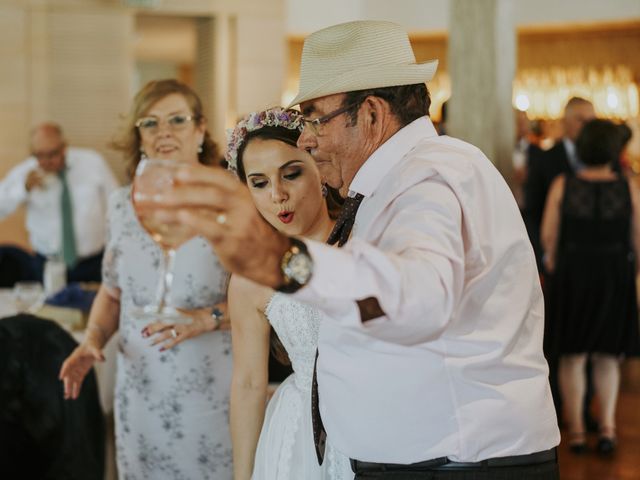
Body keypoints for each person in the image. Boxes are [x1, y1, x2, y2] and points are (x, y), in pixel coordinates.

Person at [141, 21, 560, 479]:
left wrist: (276, 257)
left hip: (454, 463)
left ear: (373, 114)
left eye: (316, 118)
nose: (306, 139)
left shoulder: (428, 179)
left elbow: (418, 298)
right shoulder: (391, 186)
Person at [58, 79, 233, 479]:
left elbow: (263, 302)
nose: (164, 132)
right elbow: (112, 291)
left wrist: (207, 319)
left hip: (207, 389)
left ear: (201, 129)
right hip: (139, 386)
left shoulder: (230, 199)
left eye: (177, 120)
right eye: (150, 123)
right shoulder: (121, 204)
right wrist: (92, 340)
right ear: (138, 136)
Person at [226, 108, 352, 479]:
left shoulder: (362, 245)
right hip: (297, 434)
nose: (278, 195)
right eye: (259, 183)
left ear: (320, 171)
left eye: (291, 174)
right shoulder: (251, 276)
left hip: (370, 421)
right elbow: (248, 383)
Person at [541, 118, 640, 455]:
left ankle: (579, 433)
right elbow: (638, 236)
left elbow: (548, 237)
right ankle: (608, 427)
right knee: (607, 356)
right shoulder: (628, 186)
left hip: (573, 273)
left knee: (572, 356)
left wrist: (554, 264)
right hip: (614, 273)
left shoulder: (563, 184)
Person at [0, 123, 118, 285]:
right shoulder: (26, 172)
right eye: (39, 155)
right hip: (47, 264)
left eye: (52, 154)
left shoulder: (93, 163)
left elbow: (117, 206)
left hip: (93, 263)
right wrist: (23, 188)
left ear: (64, 147)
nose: (46, 161)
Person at [524, 97, 596, 272]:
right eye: (580, 120)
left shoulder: (606, 161)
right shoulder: (545, 159)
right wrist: (543, 255)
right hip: (560, 259)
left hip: (597, 258)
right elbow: (532, 210)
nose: (587, 126)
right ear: (565, 122)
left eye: (591, 121)